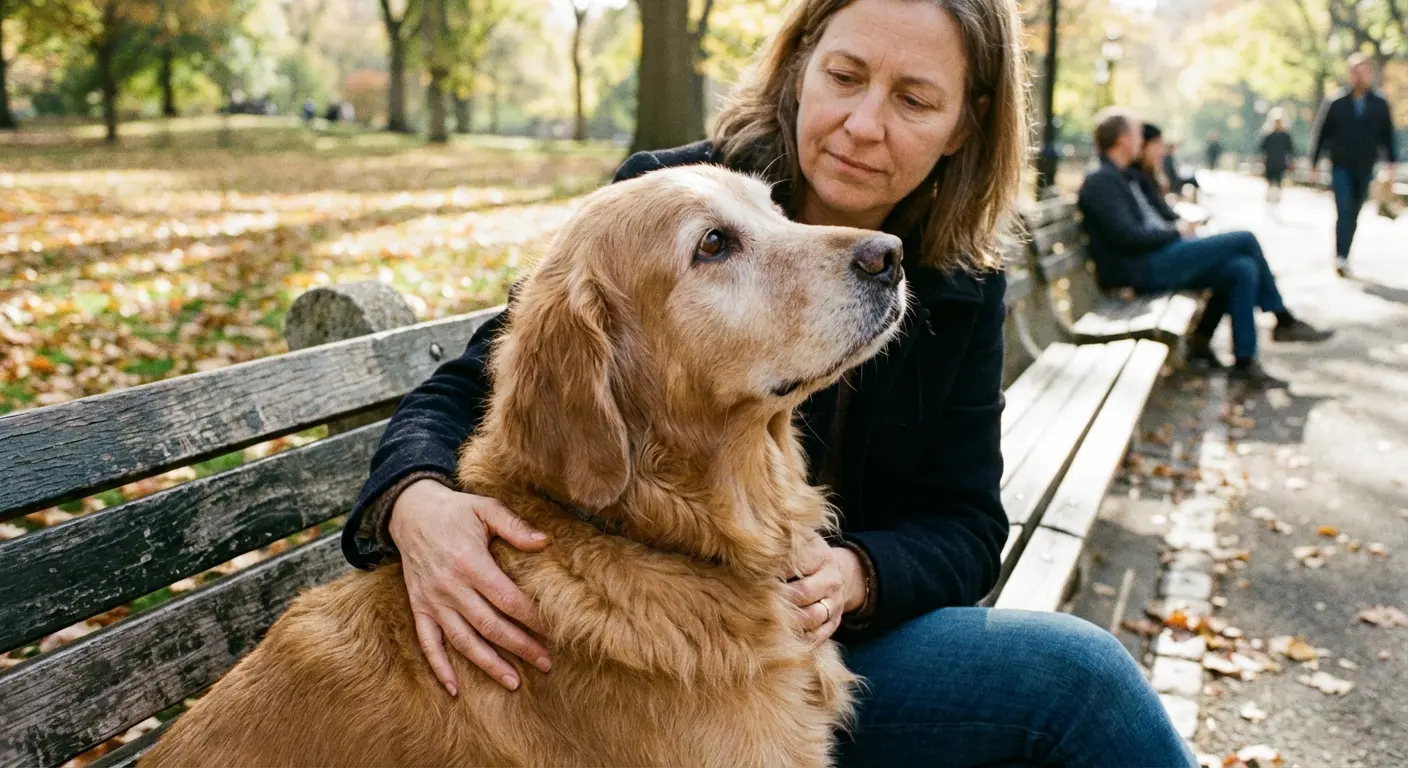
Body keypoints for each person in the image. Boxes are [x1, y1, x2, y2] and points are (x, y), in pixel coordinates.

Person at [341, 1, 1195, 765]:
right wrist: (415, 501)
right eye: (845, 77)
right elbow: (497, 379)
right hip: (662, 637)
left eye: (913, 99)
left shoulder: (959, 278)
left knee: (1083, 680)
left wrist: (860, 572)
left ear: (963, 126)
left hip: (829, 635)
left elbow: (967, 523)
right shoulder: (670, 197)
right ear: (800, 67)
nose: (863, 124)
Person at [1079, 109, 1333, 385]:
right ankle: (1282, 319)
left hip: (1157, 257)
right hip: (1140, 268)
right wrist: (1176, 231)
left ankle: (1244, 362)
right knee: (1244, 239)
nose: (1141, 140)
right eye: (1137, 134)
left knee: (1241, 268)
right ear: (1122, 139)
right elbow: (1126, 237)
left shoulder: (1126, 176)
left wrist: (1179, 228)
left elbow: (1154, 219)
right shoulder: (1101, 180)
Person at [1311, 52, 1399, 277]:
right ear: (1350, 74)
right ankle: (1340, 256)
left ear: (1371, 74)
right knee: (1343, 207)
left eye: (1364, 71)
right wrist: (1314, 162)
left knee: (1355, 210)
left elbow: (1387, 135)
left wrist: (1391, 163)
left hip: (1365, 165)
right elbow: (1321, 133)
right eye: (1356, 72)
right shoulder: (1336, 102)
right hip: (1340, 164)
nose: (1360, 76)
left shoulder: (1379, 103)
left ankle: (1345, 253)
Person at [1259, 111, 1294, 207]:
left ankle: (1277, 196)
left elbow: (1290, 150)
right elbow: (1262, 149)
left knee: (1278, 180)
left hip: (1280, 162)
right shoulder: (1269, 136)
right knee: (1270, 180)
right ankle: (1270, 195)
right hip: (1270, 162)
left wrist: (1291, 161)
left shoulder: (1285, 136)